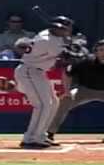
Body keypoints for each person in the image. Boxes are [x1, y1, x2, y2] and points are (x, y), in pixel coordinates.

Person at [47, 39, 104, 144]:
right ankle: (49, 133)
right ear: (96, 51)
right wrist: (66, 92)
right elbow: (67, 73)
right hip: (84, 91)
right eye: (101, 50)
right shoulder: (86, 61)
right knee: (63, 102)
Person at [13, 20, 84, 149]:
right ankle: (31, 138)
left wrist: (70, 43)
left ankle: (40, 135)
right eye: (65, 29)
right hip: (29, 71)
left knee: (54, 102)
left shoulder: (51, 35)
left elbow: (63, 45)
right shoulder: (47, 40)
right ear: (57, 28)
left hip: (38, 72)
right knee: (42, 105)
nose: (67, 31)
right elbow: (65, 59)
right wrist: (76, 50)